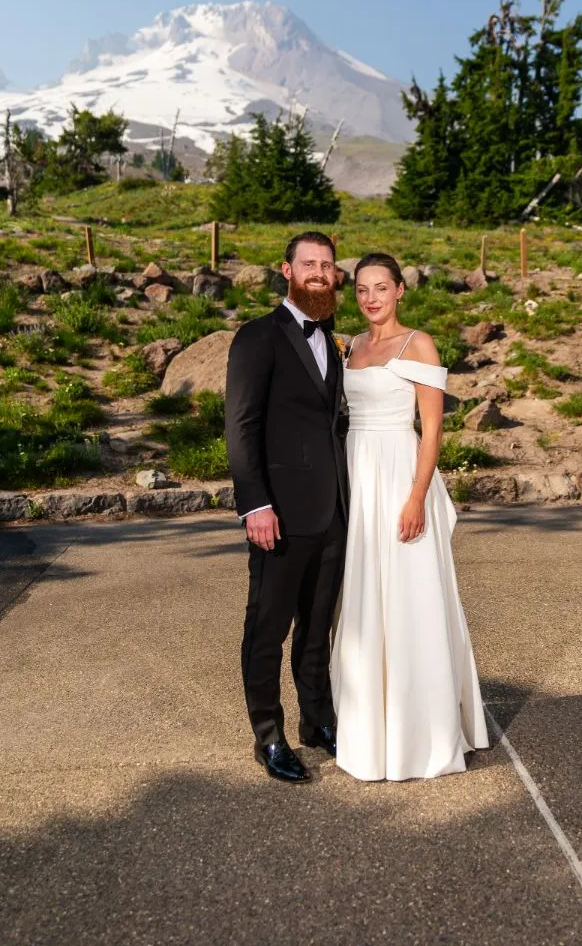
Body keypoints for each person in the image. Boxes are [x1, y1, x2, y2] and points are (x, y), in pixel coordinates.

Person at [331, 252, 489, 781]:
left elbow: (431, 427)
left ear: (401, 290)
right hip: (357, 473)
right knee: (362, 593)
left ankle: (418, 732)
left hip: (399, 473)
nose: (371, 298)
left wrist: (417, 495)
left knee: (407, 595)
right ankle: (366, 723)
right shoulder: (350, 346)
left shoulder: (418, 343)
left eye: (381, 287)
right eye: (361, 290)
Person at [224, 231, 348, 784]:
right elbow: (242, 427)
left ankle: (317, 722)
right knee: (267, 630)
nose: (319, 273)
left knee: (316, 630)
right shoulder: (257, 337)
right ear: (287, 270)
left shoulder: (335, 343)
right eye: (309, 264)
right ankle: (269, 736)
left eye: (327, 265)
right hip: (277, 516)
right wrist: (256, 505)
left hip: (332, 515)